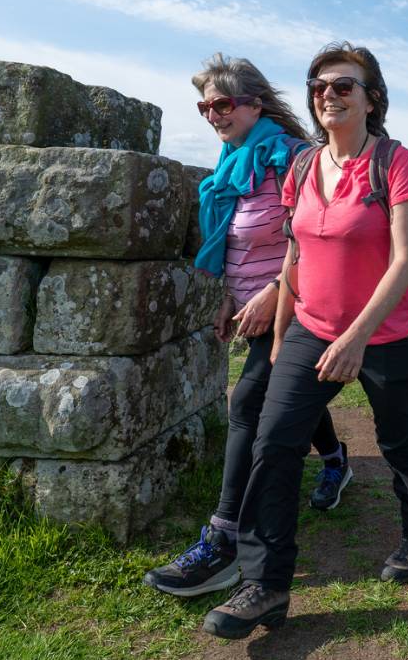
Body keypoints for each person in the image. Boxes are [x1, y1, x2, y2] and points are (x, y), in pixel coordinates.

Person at [201, 42, 408, 640]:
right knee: (273, 442)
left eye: (343, 86)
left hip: (390, 332)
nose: (328, 95)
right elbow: (293, 257)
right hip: (311, 327)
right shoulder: (306, 167)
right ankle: (265, 584)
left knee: (400, 439)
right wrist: (284, 337)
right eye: (318, 87)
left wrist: (358, 337)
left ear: (371, 99)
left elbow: (405, 260)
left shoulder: (398, 163)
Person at [143, 54, 353, 599]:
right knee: (289, 403)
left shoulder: (292, 159)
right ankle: (335, 460)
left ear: (255, 103)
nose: (213, 114)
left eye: (223, 103)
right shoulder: (235, 161)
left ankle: (225, 537)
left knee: (247, 407)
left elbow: (311, 238)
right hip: (254, 307)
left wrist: (276, 291)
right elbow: (236, 241)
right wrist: (228, 296)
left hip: (299, 308)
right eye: (205, 106)